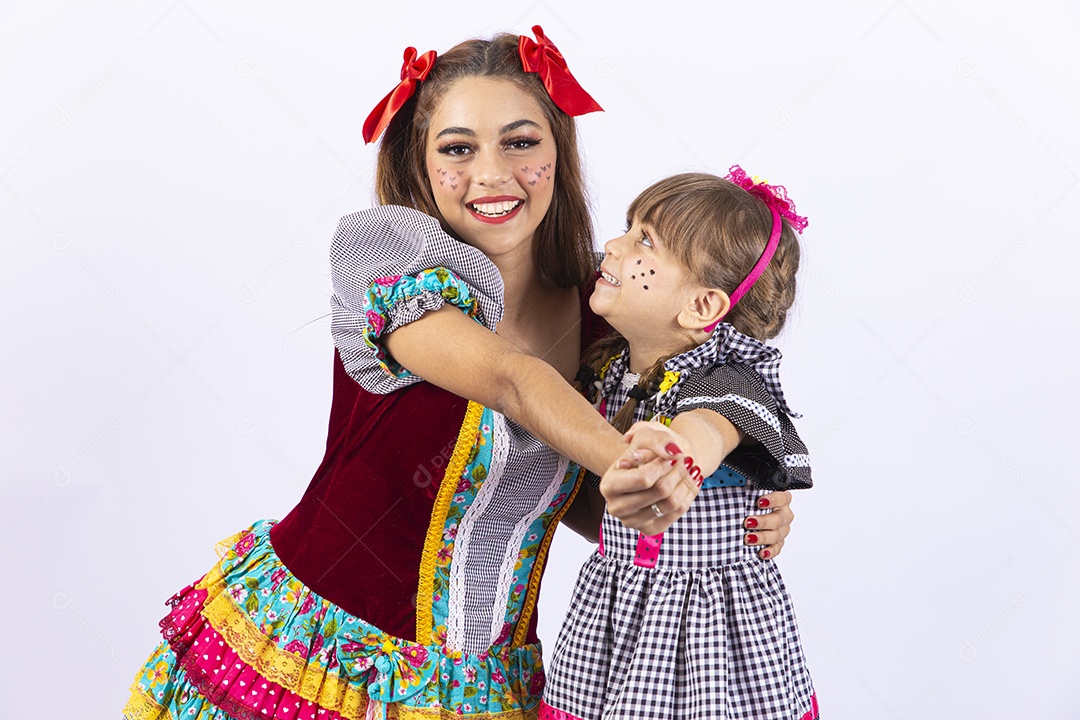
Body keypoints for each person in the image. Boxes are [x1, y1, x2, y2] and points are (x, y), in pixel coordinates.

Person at [122, 29, 794, 720]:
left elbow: (595, 507)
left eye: (521, 142)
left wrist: (716, 509)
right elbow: (514, 382)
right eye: (458, 148)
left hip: (486, 694)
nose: (492, 174)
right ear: (421, 163)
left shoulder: (606, 315)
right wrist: (644, 465)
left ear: (558, 151)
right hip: (319, 662)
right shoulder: (394, 270)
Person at [540, 170, 818, 720]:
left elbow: (712, 427)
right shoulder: (614, 368)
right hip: (616, 616)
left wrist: (675, 456)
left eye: (644, 241)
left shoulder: (726, 381)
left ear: (701, 308)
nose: (612, 247)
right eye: (628, 228)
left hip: (707, 633)